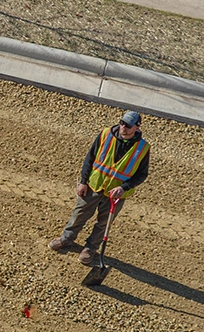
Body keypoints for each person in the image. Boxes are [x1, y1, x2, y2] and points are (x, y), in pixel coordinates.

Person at [50, 110, 150, 265]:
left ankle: (90, 249)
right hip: (93, 186)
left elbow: (142, 174)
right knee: (80, 213)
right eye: (122, 122)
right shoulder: (105, 134)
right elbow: (89, 158)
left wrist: (124, 187)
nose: (123, 127)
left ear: (137, 128)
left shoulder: (142, 148)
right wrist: (83, 181)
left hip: (115, 195)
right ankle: (66, 239)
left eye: (128, 125)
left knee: (103, 224)